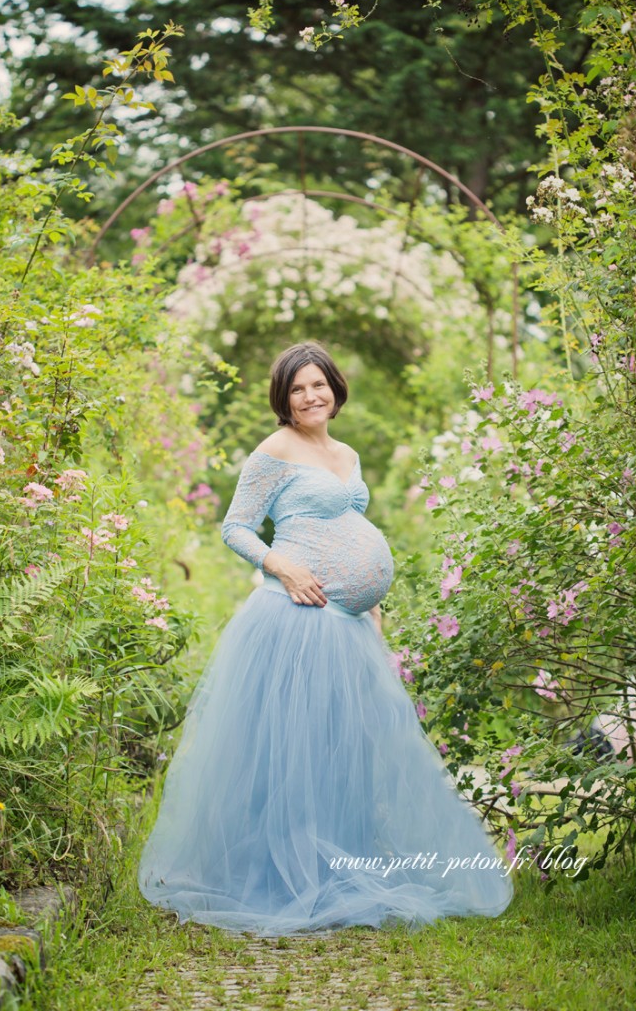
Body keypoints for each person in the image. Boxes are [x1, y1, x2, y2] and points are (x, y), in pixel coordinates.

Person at [137, 341, 514, 935]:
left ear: (335, 388)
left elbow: (349, 526)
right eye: (298, 389)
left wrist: (374, 611)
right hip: (293, 622)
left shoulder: (346, 453)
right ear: (283, 399)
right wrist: (282, 566)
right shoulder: (274, 450)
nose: (311, 396)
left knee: (343, 749)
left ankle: (336, 867)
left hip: (350, 625)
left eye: (319, 385)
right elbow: (235, 527)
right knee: (294, 749)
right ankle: (283, 879)